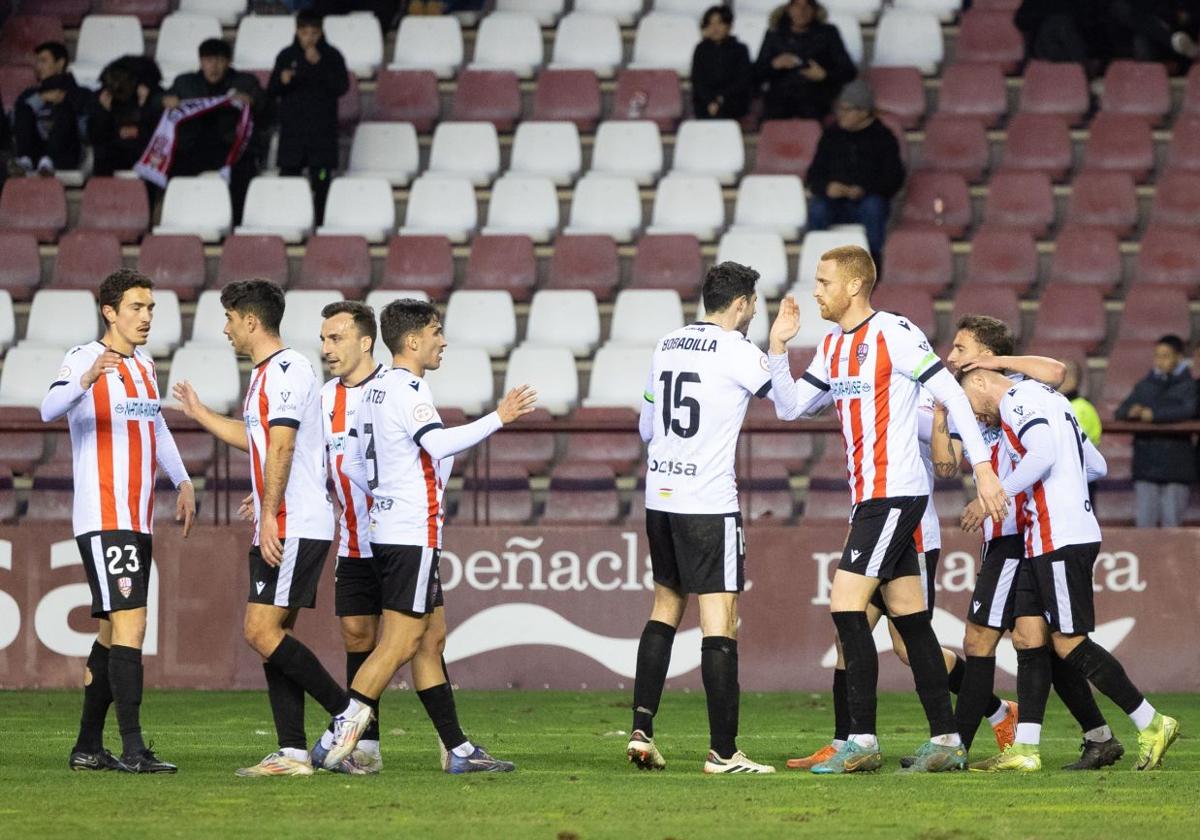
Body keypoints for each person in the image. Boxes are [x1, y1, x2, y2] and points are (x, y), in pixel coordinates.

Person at [765, 245, 1008, 774]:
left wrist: (984, 468)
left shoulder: (894, 333)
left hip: (895, 493)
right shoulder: (832, 346)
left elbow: (955, 396)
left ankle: (861, 740)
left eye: (824, 281)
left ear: (854, 286)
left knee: (846, 607)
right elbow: (788, 407)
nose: (816, 290)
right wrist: (778, 347)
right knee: (912, 623)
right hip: (869, 499)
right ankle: (946, 739)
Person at [314, 299, 538, 773]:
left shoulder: (372, 393)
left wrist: (384, 494)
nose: (443, 341)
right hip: (412, 530)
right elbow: (436, 443)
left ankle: (457, 750)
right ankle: (338, 734)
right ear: (412, 340)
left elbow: (352, 464)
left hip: (389, 527)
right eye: (436, 332)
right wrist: (499, 417)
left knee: (429, 638)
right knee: (398, 642)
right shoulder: (409, 389)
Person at [956, 369, 1179, 772]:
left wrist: (998, 491)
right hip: (1042, 538)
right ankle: (1025, 749)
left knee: (1069, 643)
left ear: (980, 381)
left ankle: (1152, 721)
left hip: (1058, 536)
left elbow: (1043, 456)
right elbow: (1095, 464)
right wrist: (1066, 487)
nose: (977, 417)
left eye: (971, 406)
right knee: (1028, 637)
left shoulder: (1016, 400)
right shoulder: (1055, 402)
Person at [788, 384, 1020, 771]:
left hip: (913, 534)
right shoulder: (871, 396)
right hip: (873, 524)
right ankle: (845, 740)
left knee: (907, 645)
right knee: (851, 633)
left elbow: (948, 466)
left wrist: (945, 417)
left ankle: (993, 711)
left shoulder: (924, 401)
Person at [172, 280, 351, 778]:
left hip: (294, 521)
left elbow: (284, 446)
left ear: (251, 321)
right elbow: (257, 440)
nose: (225, 329)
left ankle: (347, 713)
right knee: (276, 633)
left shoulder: (290, 369)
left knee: (259, 630)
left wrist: (271, 511)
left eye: (230, 319)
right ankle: (292, 752)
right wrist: (202, 414)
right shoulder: (265, 374)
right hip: (283, 517)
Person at [934, 316, 1124, 770]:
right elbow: (945, 467)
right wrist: (942, 413)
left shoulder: (1023, 392)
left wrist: (1001, 492)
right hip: (1010, 535)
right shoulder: (971, 406)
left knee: (986, 639)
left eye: (961, 348)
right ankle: (1095, 736)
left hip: (1020, 534)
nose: (951, 356)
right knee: (1036, 642)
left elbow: (1058, 372)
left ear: (984, 357)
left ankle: (957, 746)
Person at [40, 268, 196, 774]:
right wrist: (85, 380)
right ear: (109, 311)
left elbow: (157, 427)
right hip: (105, 514)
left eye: (150, 307)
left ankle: (88, 747)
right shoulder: (85, 357)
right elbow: (48, 408)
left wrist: (183, 480)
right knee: (133, 623)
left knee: (112, 632)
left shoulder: (146, 366)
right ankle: (132, 748)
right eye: (136, 307)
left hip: (138, 517)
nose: (147, 316)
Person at [625, 262, 777, 776]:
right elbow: (790, 400)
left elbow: (647, 424)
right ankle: (723, 751)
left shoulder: (667, 343)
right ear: (739, 304)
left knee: (665, 604)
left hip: (660, 496)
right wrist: (780, 348)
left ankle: (642, 730)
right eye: (754, 303)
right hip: (708, 502)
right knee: (721, 617)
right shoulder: (739, 350)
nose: (756, 310)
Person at [162, 39, 271, 224]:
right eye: (209, 61)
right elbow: (158, 100)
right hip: (193, 147)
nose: (214, 66)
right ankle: (178, 220)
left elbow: (267, 109)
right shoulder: (185, 82)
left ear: (228, 62)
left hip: (231, 147)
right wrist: (165, 101)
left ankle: (237, 223)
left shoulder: (245, 82)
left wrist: (252, 101)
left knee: (242, 172)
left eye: (220, 61)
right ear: (201, 62)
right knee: (172, 170)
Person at [805, 80, 904, 266]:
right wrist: (828, 187)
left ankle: (873, 262)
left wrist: (863, 189)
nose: (840, 114)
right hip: (834, 202)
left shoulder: (883, 137)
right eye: (839, 109)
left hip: (866, 201)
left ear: (864, 112)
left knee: (873, 207)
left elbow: (894, 178)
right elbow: (813, 175)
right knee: (818, 208)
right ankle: (815, 261)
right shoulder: (831, 136)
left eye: (846, 109)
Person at [267, 10, 349, 225]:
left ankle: (320, 225)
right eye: (305, 32)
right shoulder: (286, 56)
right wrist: (283, 80)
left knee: (322, 181)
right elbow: (272, 89)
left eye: (314, 32)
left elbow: (341, 87)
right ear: (297, 31)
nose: (310, 38)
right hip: (293, 135)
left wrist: (319, 65)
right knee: (288, 183)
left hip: (322, 136)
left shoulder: (332, 56)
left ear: (321, 32)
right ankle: (288, 224)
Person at [1115, 335, 1197, 528]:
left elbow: (1189, 410)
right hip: (1147, 463)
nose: (1160, 361)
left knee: (1172, 524)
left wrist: (1154, 414)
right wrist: (1131, 412)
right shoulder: (1145, 384)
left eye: (1166, 356)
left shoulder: (1190, 385)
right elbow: (1121, 411)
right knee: (1144, 524)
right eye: (1157, 356)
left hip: (1176, 464)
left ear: (1179, 357)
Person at [754, 0, 855, 121]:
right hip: (779, 99)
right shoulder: (774, 34)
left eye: (807, 6)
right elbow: (756, 73)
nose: (801, 11)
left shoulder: (828, 33)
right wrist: (774, 65)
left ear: (815, 10)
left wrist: (825, 76)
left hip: (814, 98)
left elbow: (849, 71)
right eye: (797, 6)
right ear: (788, 9)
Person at [9, 41, 88, 177]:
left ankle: (49, 161)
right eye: (37, 62)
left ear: (60, 63)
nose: (38, 67)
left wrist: (68, 103)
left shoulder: (79, 93)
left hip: (66, 154)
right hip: (36, 153)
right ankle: (25, 160)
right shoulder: (29, 94)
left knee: (65, 108)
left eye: (43, 61)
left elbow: (87, 130)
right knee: (25, 108)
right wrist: (41, 99)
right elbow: (12, 122)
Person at [88, 55, 164, 177]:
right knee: (102, 152)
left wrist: (143, 107)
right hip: (117, 151)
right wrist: (104, 111)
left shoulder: (154, 95)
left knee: (153, 157)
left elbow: (159, 135)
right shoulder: (104, 96)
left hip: (143, 151)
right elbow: (96, 137)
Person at [690, 5, 753, 121]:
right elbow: (698, 80)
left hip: (732, 102)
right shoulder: (701, 49)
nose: (715, 28)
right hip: (706, 103)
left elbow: (742, 80)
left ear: (729, 26)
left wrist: (720, 99)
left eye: (719, 23)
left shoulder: (740, 49)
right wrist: (710, 101)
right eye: (711, 24)